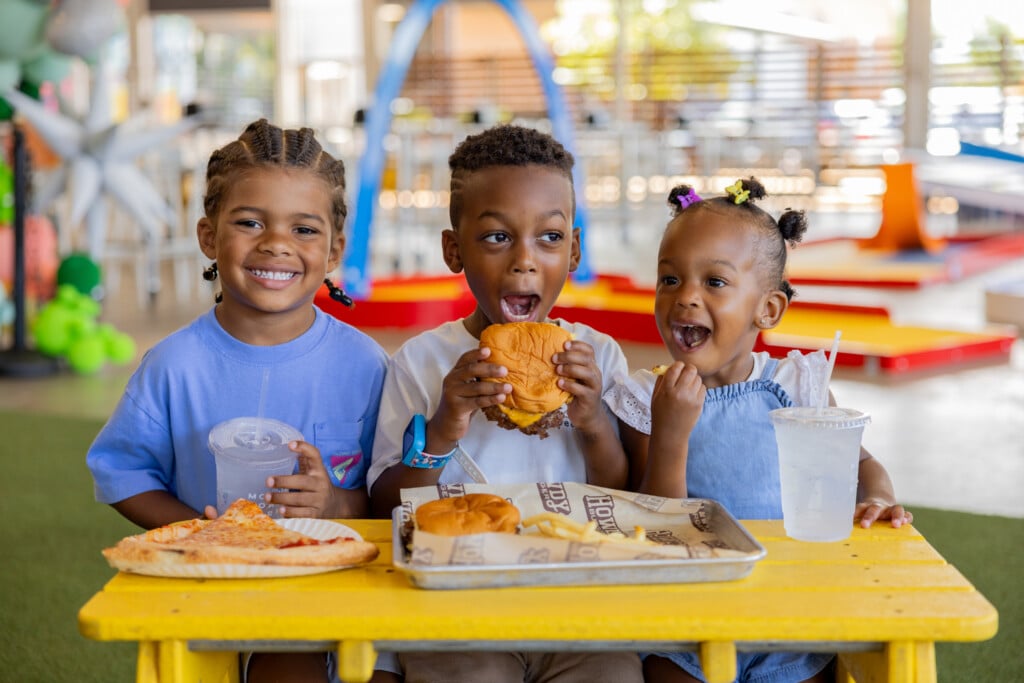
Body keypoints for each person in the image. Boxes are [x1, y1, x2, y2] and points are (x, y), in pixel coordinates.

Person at [86, 119, 393, 683]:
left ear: (334, 250)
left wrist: (334, 505)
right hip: (212, 586)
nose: (276, 244)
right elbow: (124, 474)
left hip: (335, 583)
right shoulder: (173, 366)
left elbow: (385, 492)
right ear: (208, 236)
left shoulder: (366, 365)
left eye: (304, 229)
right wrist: (202, 535)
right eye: (250, 222)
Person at [605, 177, 913, 683]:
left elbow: (859, 464)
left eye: (715, 282)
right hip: (686, 624)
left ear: (767, 309)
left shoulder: (798, 384)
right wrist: (672, 433)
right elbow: (657, 524)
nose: (685, 298)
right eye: (670, 280)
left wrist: (877, 499)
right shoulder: (643, 398)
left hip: (793, 613)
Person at [366, 124, 642, 683]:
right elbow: (385, 503)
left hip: (576, 606)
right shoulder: (421, 362)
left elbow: (622, 495)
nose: (524, 261)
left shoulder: (599, 358)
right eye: (496, 238)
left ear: (575, 250)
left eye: (549, 238)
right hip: (455, 611)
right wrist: (443, 428)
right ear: (454, 249)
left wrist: (591, 423)